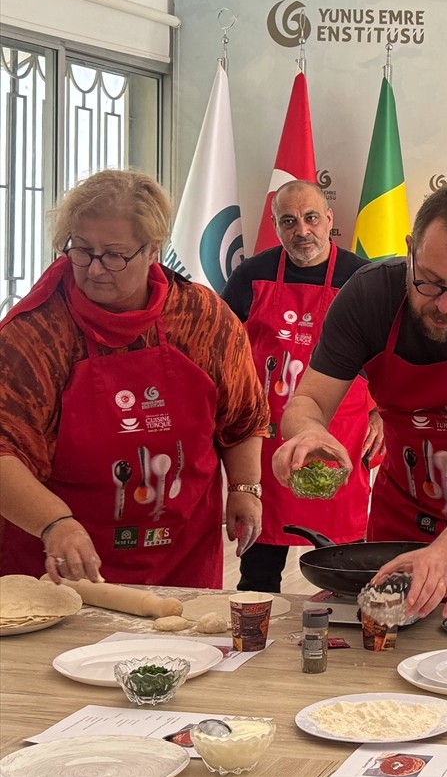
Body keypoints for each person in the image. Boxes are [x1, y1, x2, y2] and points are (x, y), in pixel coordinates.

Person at [274, 185, 447, 619]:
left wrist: (443, 554)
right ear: (410, 249)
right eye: (429, 281)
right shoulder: (369, 296)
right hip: (405, 509)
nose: (444, 305)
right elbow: (308, 399)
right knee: (386, 638)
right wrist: (309, 431)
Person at [0, 169, 267, 588]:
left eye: (114, 255)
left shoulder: (202, 319)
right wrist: (54, 523)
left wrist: (245, 487)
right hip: (59, 562)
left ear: (152, 250)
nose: (94, 269)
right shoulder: (37, 333)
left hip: (181, 557)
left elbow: (243, 417)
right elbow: (4, 450)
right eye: (81, 250)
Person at [221, 180, 382, 593]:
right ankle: (255, 624)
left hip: (340, 435)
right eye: (289, 221)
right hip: (267, 442)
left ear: (329, 219)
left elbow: (390, 355)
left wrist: (382, 412)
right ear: (275, 225)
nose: (302, 230)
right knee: (258, 572)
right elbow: (220, 349)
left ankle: (352, 617)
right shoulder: (251, 275)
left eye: (311, 218)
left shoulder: (362, 278)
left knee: (348, 567)